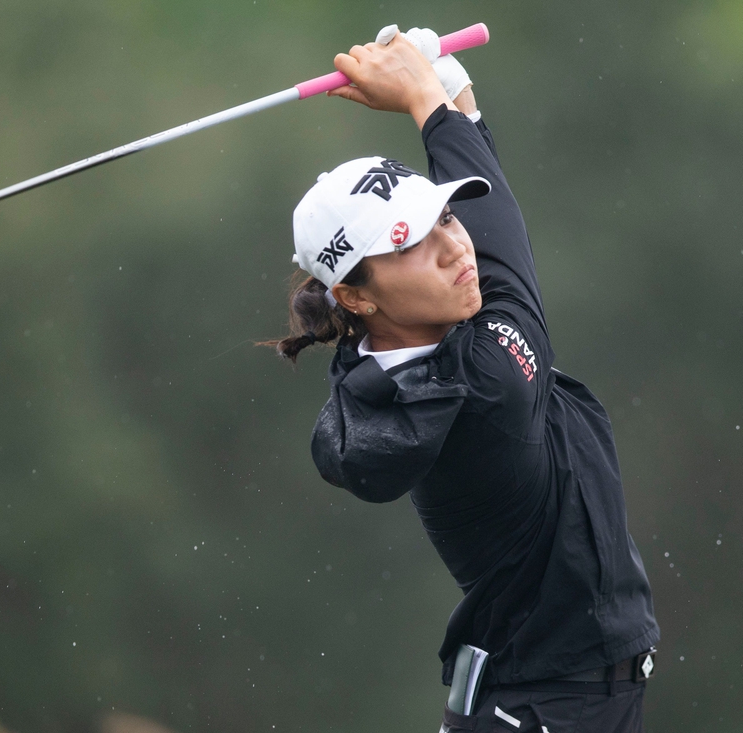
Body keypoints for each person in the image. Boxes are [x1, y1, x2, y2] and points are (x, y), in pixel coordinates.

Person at [268, 26, 659, 732]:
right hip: (544, 709)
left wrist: (449, 95)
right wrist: (430, 94)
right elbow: (504, 235)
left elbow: (488, 221)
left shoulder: (413, 353)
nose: (456, 249)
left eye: (445, 215)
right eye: (413, 244)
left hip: (549, 698)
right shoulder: (486, 383)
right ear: (357, 296)